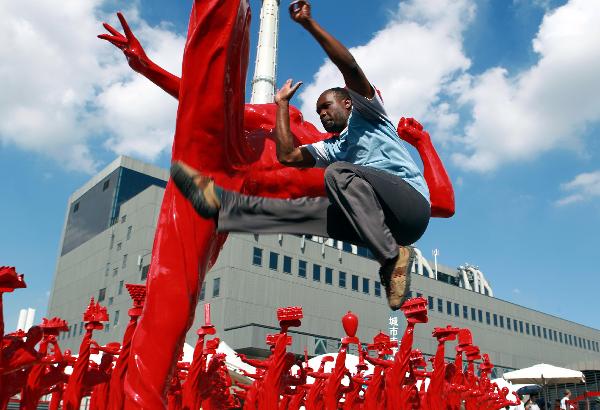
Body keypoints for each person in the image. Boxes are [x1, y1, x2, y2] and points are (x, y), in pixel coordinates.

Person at [171, 1, 432, 310]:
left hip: (412, 206)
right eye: (318, 111)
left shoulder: (370, 115)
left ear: (348, 103)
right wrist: (281, 104)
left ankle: (391, 259)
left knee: (337, 174)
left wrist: (309, 25)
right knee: (304, 214)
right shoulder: (334, 147)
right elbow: (289, 157)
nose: (321, 114)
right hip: (386, 225)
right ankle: (226, 210)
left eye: (327, 106)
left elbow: (349, 67)